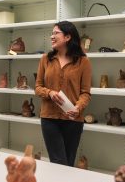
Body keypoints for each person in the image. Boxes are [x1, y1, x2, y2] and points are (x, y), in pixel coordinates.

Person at [35, 21, 92, 167]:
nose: (51, 36)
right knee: (59, 162)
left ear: (67, 37)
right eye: (52, 33)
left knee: (69, 164)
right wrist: (50, 93)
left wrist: (78, 108)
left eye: (56, 33)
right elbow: (38, 87)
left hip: (73, 120)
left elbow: (85, 93)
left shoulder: (83, 61)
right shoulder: (45, 59)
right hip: (49, 118)